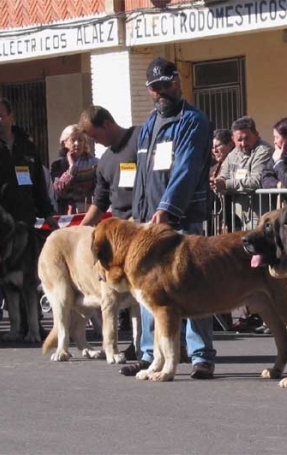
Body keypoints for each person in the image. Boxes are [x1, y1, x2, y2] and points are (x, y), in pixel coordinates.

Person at [122, 56, 216, 379]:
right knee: (150, 290)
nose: (161, 92)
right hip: (148, 223)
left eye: (166, 84)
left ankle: (201, 354)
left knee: (193, 286)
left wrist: (168, 208)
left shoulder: (194, 121)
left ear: (178, 82)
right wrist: (137, 213)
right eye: (155, 87)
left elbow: (186, 169)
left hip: (181, 220)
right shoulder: (149, 125)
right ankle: (151, 354)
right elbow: (142, 175)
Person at [0, 97, 58, 339]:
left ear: (11, 117)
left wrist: (48, 214)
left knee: (28, 279)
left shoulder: (27, 147)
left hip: (24, 229)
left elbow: (39, 186)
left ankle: (31, 326)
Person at [78, 106, 140, 225]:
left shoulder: (141, 138)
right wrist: (81, 228)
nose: (95, 142)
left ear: (106, 124)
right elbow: (100, 201)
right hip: (121, 228)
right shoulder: (104, 161)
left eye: (95, 136)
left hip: (145, 223)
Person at [210, 116, 273, 229]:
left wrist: (225, 184)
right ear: (233, 139)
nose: (243, 143)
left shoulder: (264, 151)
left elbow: (256, 181)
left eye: (247, 138)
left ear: (256, 134)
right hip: (238, 216)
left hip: (259, 215)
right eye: (239, 140)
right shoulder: (233, 153)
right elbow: (224, 175)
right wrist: (217, 182)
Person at [50, 125, 98, 215]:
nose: (77, 143)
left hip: (88, 212)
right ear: (64, 143)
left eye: (80, 140)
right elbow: (58, 190)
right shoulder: (57, 166)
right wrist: (71, 169)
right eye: (73, 140)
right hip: (65, 215)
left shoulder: (95, 164)